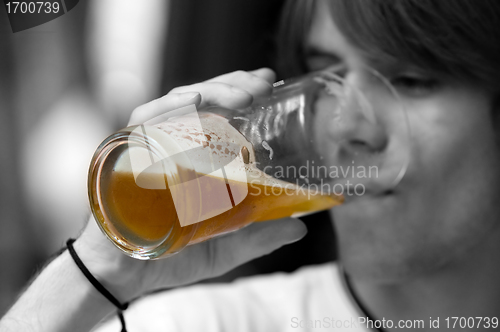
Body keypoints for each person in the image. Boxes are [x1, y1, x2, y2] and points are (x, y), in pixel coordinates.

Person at [2, 0, 500, 331]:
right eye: (326, 72)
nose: (350, 127)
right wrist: (97, 271)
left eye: (411, 80)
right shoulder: (212, 324)